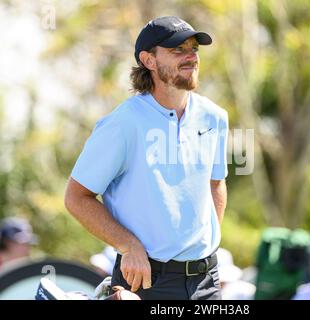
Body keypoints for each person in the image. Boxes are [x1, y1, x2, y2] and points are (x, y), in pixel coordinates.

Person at [64, 16, 229, 300]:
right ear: (149, 60)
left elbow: (216, 184)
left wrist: (206, 246)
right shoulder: (123, 123)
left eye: (194, 49)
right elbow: (77, 197)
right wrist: (128, 246)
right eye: (178, 50)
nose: (191, 56)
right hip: (145, 281)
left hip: (206, 281)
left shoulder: (214, 117)